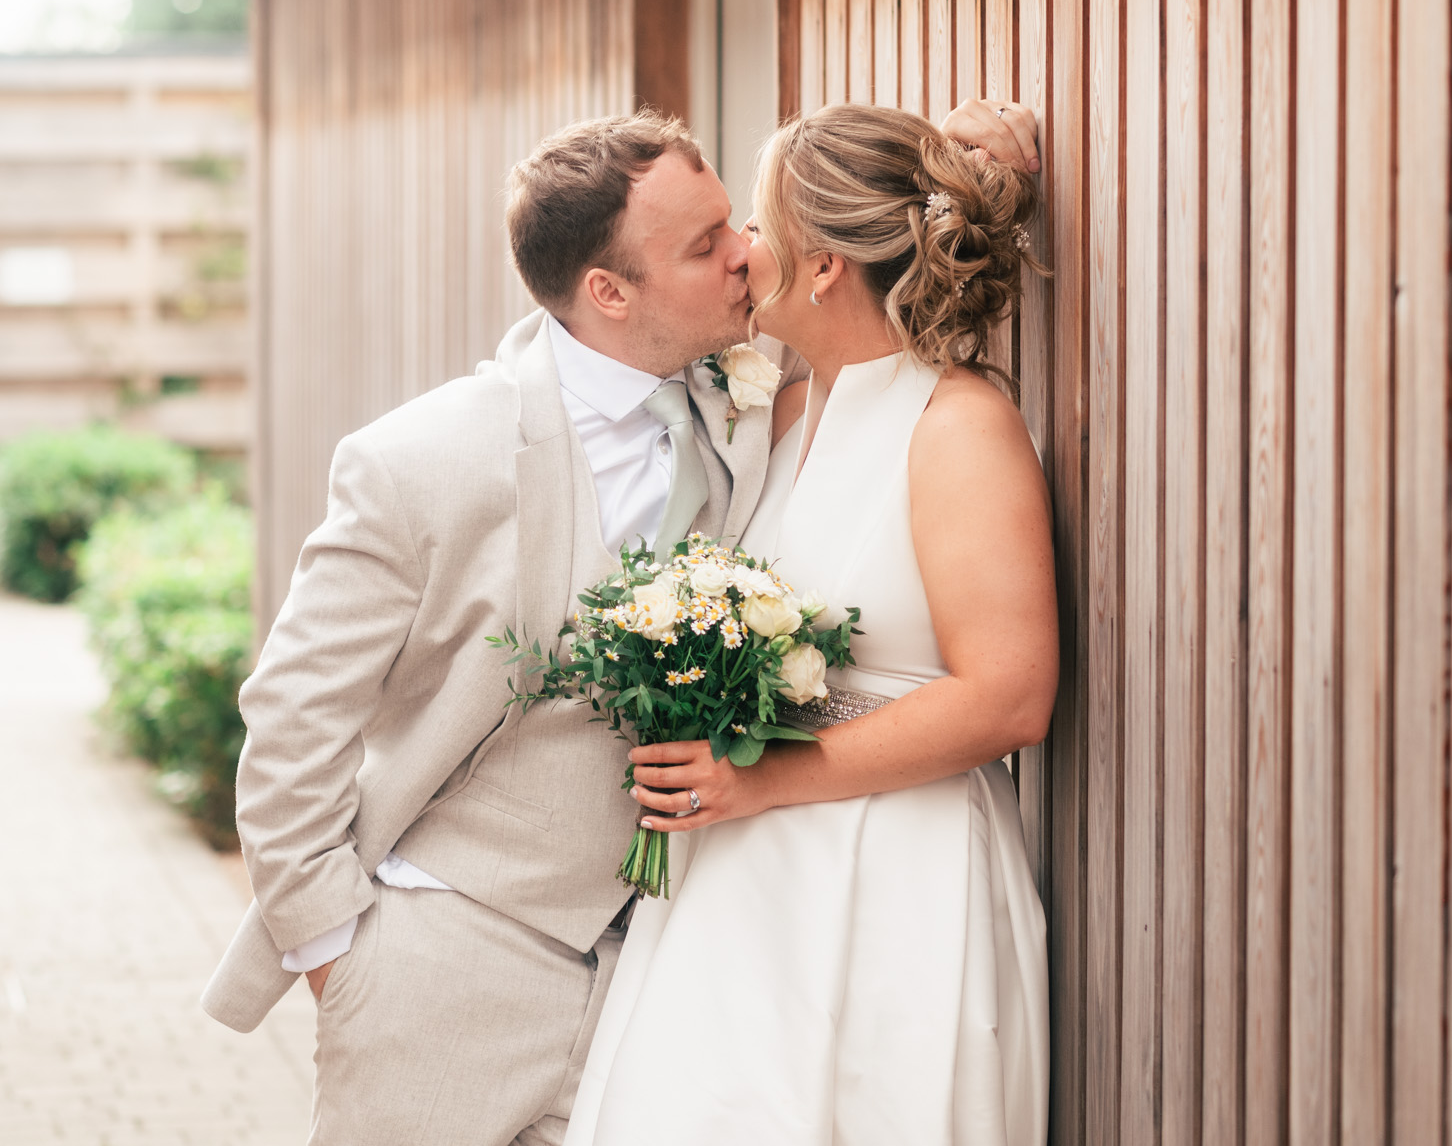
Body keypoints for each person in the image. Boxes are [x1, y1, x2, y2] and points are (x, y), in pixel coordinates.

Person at [203, 103, 1038, 1146]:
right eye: (705, 244)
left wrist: (958, 161)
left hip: (682, 956)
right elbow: (289, 724)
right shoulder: (421, 461)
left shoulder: (755, 393)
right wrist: (340, 954)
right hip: (449, 964)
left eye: (739, 223)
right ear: (607, 291)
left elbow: (853, 232)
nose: (744, 254)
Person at [563, 101, 1055, 1145]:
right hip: (744, 879)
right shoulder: (780, 409)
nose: (738, 252)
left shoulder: (957, 426)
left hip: (897, 870)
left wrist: (757, 780)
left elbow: (1009, 696)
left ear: (824, 264)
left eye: (754, 226)